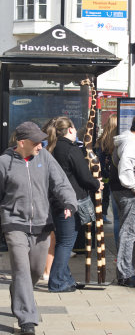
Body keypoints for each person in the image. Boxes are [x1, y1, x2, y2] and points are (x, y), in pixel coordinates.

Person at [0, 121, 78, 335]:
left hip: (42, 224)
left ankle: (17, 290)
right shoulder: (4, 162)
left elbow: (61, 182)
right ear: (21, 142)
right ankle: (27, 320)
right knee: (22, 270)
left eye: (42, 141)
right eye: (36, 142)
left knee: (34, 271)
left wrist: (69, 203)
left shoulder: (44, 157)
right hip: (14, 223)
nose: (41, 145)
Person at [44, 116, 103, 292]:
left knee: (63, 241)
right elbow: (84, 177)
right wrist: (97, 184)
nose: (76, 131)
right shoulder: (71, 149)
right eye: (75, 128)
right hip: (70, 202)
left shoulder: (52, 149)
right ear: (70, 129)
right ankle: (56, 282)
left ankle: (66, 279)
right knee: (66, 242)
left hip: (56, 201)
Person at [109, 112, 135, 288]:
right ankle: (126, 274)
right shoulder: (131, 145)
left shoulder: (126, 140)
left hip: (120, 192)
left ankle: (125, 271)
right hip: (130, 194)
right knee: (129, 233)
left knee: (126, 233)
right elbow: (126, 165)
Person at [95, 114, 119, 248]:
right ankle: (104, 214)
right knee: (118, 216)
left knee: (105, 197)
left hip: (104, 174)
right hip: (115, 177)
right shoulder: (117, 141)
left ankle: (102, 214)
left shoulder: (102, 140)